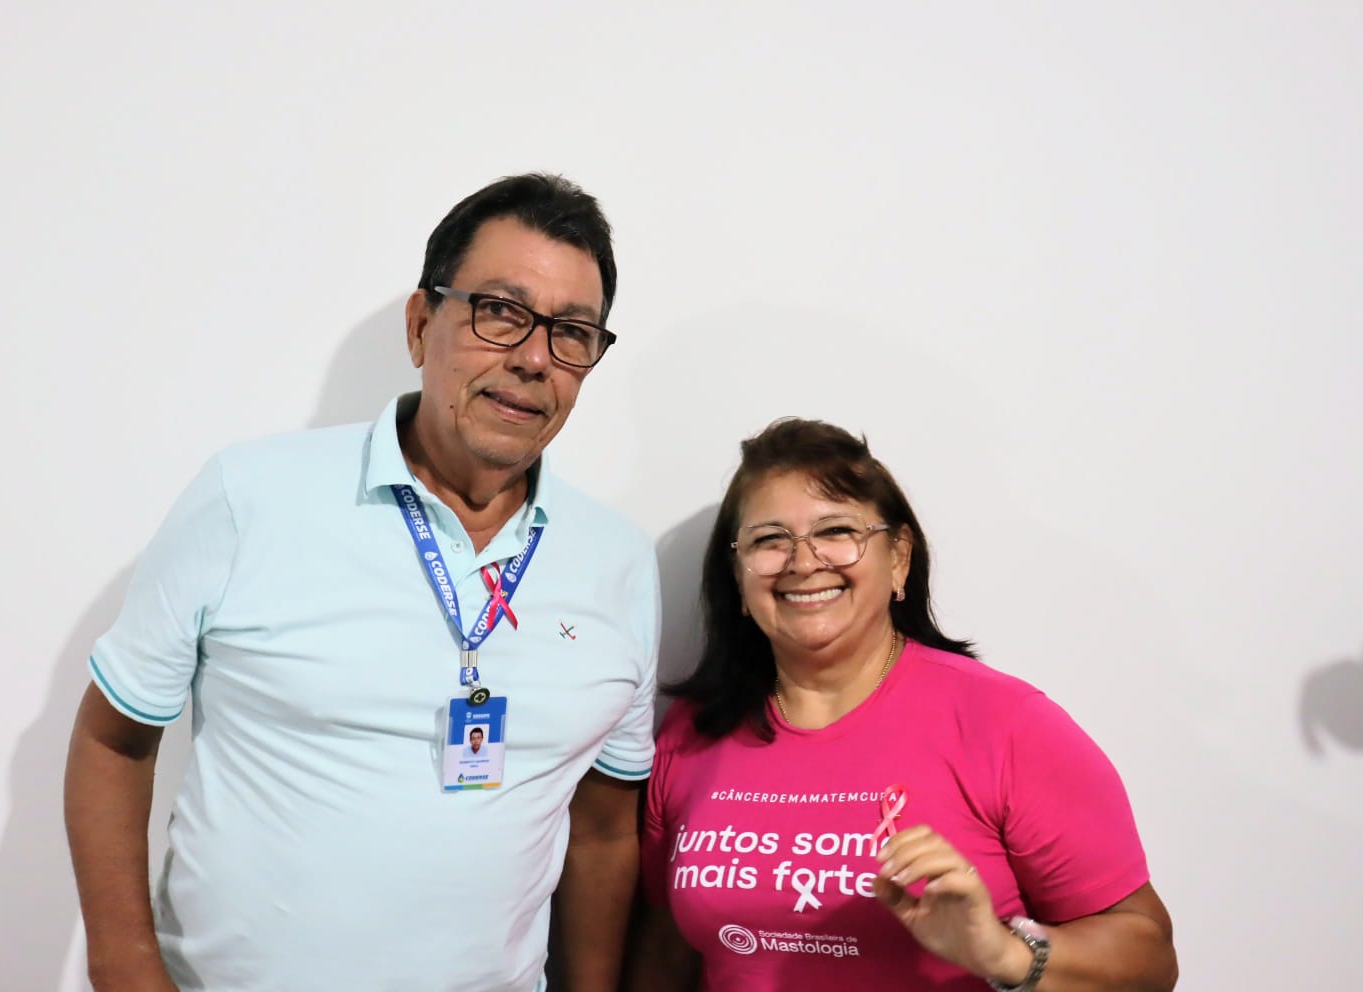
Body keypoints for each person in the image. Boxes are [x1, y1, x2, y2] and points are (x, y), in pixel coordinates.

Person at [64, 174, 659, 992]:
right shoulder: (251, 498)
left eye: (572, 333)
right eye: (500, 312)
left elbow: (602, 828)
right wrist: (125, 968)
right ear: (421, 325)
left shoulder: (618, 562)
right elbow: (113, 740)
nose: (533, 358)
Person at [629, 419, 1177, 992]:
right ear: (737, 578)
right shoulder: (691, 733)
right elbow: (665, 951)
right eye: (769, 540)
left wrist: (1002, 951)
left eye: (837, 530)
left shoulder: (1006, 724)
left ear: (898, 559)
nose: (803, 562)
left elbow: (1151, 961)